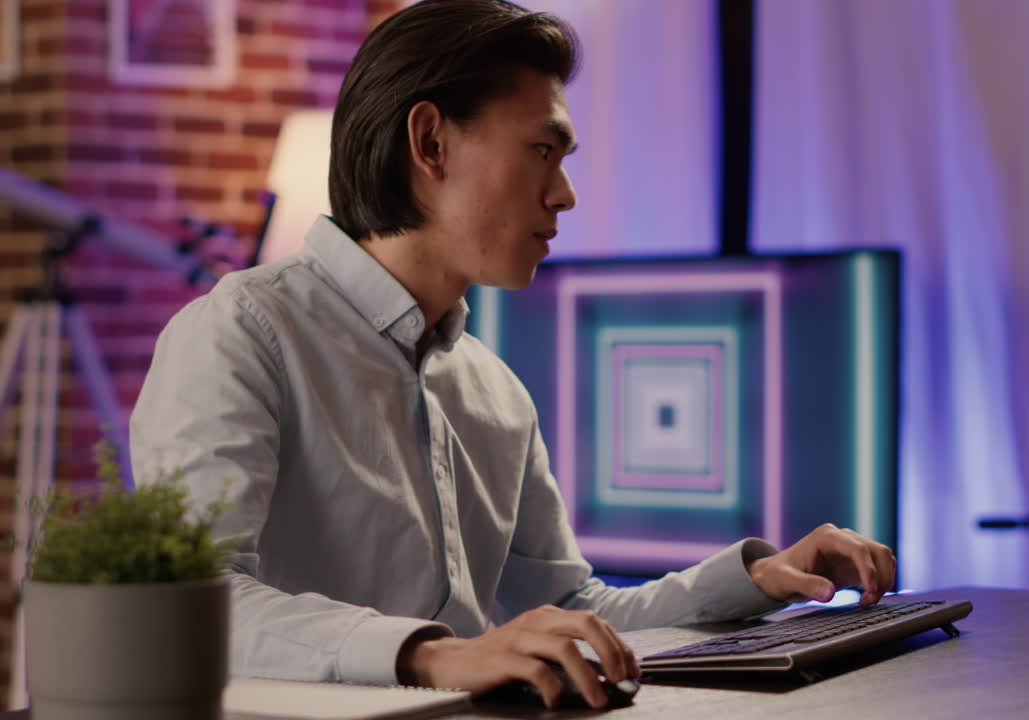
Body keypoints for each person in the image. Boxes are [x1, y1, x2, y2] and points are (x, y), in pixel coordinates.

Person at [130, 0, 896, 710]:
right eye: (541, 150)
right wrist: (432, 657)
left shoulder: (493, 390)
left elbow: (569, 610)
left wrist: (757, 579)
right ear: (429, 143)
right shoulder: (241, 334)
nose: (564, 194)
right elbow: (192, 604)